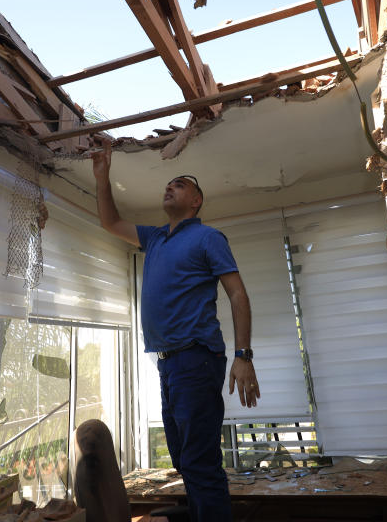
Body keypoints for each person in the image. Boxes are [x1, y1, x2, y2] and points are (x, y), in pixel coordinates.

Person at [91, 139, 259, 522]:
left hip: (196, 359)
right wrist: (102, 176)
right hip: (168, 364)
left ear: (196, 200)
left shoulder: (207, 238)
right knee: (186, 460)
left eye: (180, 184)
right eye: (168, 184)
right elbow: (110, 222)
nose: (170, 187)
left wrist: (243, 356)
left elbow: (237, 294)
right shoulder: (155, 238)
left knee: (199, 463)